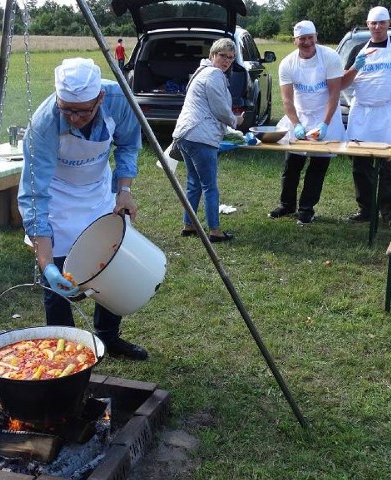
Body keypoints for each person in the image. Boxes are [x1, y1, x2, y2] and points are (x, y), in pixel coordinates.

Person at [17, 57, 148, 361]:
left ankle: (108, 337)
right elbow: (34, 196)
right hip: (57, 195)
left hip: (97, 191)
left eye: (83, 111)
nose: (74, 118)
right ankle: (65, 350)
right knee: (58, 277)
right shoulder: (44, 124)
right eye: (67, 110)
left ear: (100, 98)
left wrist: (124, 190)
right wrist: (47, 264)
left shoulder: (117, 100)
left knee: (110, 264)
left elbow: (128, 143)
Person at [341, 6, 391, 229]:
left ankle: (390, 214)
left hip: (389, 114)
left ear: (388, 23)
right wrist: (355, 67)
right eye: (373, 23)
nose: (377, 27)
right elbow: (343, 84)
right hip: (361, 114)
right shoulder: (357, 49)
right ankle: (365, 209)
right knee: (360, 167)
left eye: (381, 22)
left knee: (389, 168)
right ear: (367, 24)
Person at [268, 20, 347, 226]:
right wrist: (296, 125)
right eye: (302, 39)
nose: (306, 42)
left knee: (317, 166)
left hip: (326, 116)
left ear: (316, 37)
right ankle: (287, 205)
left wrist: (325, 124)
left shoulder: (330, 57)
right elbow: (286, 99)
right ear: (295, 41)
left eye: (310, 38)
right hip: (300, 116)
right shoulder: (287, 63)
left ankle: (306, 209)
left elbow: (334, 94)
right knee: (291, 164)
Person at [174, 38, 243, 242]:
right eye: (222, 56)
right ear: (213, 55)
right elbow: (220, 108)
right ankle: (215, 231)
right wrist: (235, 120)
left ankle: (189, 225)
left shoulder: (201, 72)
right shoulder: (213, 74)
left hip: (185, 135)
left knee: (194, 183)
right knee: (209, 185)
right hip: (199, 136)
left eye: (230, 58)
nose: (226, 61)